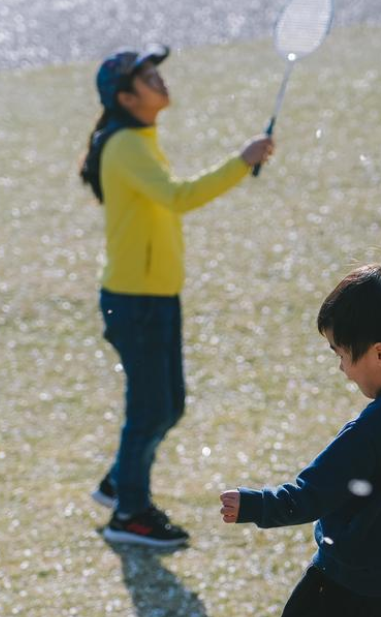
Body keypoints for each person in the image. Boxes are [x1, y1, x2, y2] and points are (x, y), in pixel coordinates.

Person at [79, 44, 275, 546]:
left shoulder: (139, 136)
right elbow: (178, 196)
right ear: (126, 97)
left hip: (154, 295)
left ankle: (121, 481)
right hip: (136, 299)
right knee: (151, 410)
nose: (158, 79)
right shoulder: (125, 144)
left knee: (169, 406)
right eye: (145, 76)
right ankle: (130, 514)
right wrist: (241, 161)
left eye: (154, 71)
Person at [218, 264, 381, 617]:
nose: (342, 369)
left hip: (343, 590)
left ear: (380, 354)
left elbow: (313, 494)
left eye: (341, 355)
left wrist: (255, 505)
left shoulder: (375, 428)